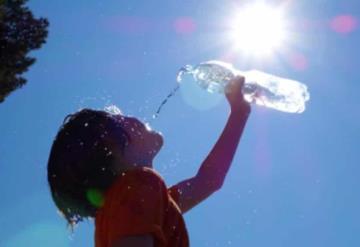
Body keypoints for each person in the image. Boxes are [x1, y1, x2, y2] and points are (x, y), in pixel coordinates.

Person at [47, 76, 251, 247]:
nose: (127, 116)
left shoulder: (138, 204)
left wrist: (239, 113)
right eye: (117, 119)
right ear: (110, 151)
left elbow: (209, 180)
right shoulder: (138, 185)